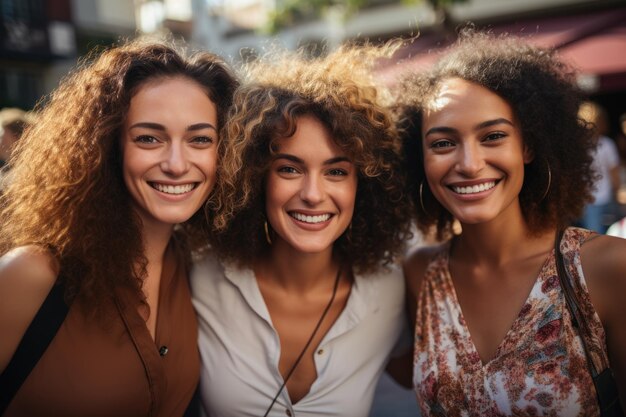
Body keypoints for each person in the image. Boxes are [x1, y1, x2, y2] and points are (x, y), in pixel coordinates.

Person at [0, 38, 238, 416]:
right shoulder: (31, 274)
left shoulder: (197, 269)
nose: (177, 163)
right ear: (107, 144)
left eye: (199, 139)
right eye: (148, 138)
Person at [395, 31, 626, 415]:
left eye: (493, 136)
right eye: (442, 143)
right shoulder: (421, 275)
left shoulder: (605, 268)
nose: (469, 164)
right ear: (419, 158)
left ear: (530, 146)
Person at [191, 44, 413, 417]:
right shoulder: (200, 277)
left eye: (336, 171)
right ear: (256, 177)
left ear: (365, 184)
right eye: (289, 169)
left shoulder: (390, 292)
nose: (312, 195)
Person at [578, 101, 620, 233]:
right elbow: (615, 176)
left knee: (592, 238)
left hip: (586, 201)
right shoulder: (607, 144)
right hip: (605, 199)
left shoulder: (577, 148)